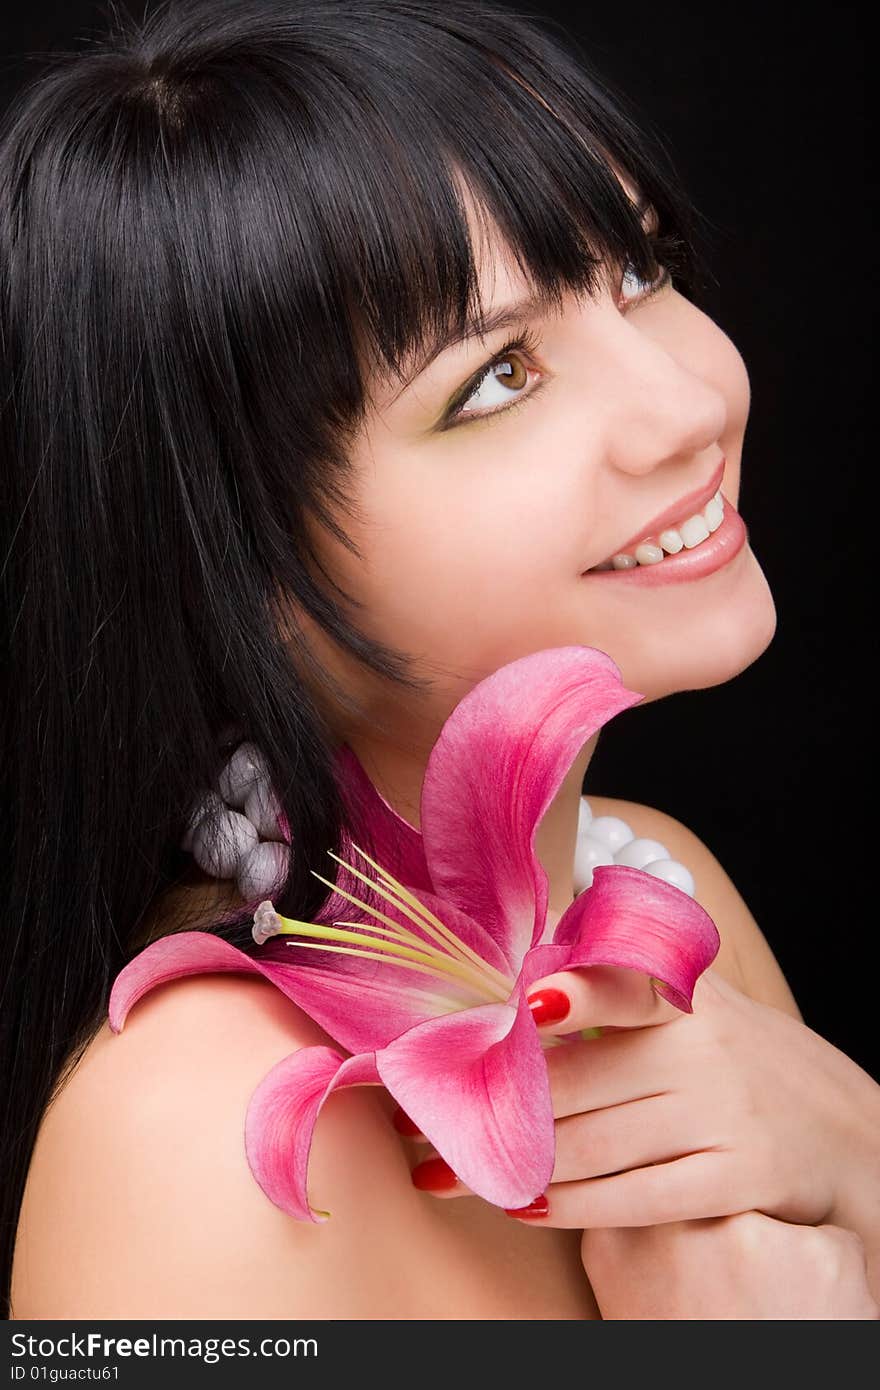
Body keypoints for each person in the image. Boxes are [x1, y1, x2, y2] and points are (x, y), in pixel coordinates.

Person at [3, 0, 877, 1320]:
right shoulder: (192, 1132)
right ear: (238, 572)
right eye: (499, 377)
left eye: (642, 269)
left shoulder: (662, 884)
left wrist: (863, 1158)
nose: (693, 402)